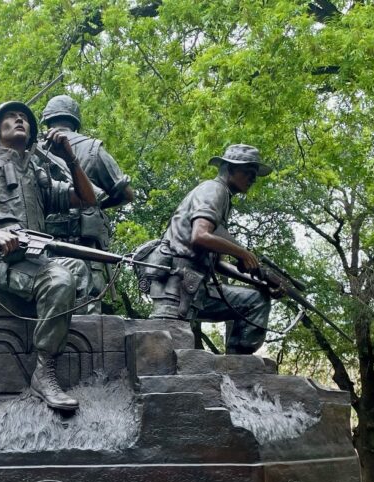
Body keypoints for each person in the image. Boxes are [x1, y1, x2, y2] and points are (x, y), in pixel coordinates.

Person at [0, 100, 96, 412]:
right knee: (60, 280)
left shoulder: (35, 175)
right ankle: (44, 372)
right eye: (10, 117)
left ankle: (65, 347)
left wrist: (70, 158)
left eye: (24, 117)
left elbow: (87, 200)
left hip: (35, 261)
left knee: (78, 268)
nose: (20, 119)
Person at [144, 144, 273, 355]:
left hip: (198, 287)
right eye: (248, 172)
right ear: (229, 169)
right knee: (165, 350)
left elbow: (218, 264)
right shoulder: (214, 190)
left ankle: (237, 367)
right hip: (177, 288)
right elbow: (200, 235)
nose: (253, 179)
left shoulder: (223, 196)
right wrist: (242, 253)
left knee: (256, 300)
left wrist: (261, 283)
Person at [38, 95, 134, 313]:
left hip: (43, 247)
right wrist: (96, 205)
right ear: (75, 120)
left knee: (48, 305)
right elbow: (127, 194)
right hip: (86, 249)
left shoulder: (31, 153)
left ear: (47, 121)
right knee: (89, 306)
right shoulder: (93, 149)